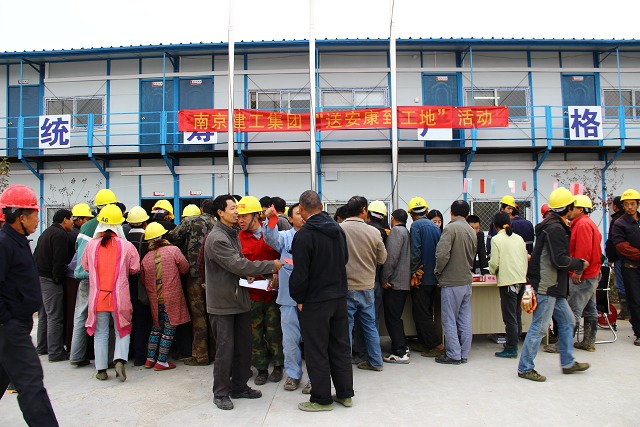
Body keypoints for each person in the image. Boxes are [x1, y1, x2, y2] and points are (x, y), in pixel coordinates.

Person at [204, 194, 282, 411]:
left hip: (239, 299)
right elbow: (238, 264)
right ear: (220, 212)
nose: (237, 212)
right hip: (223, 304)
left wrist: (247, 273)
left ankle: (239, 387)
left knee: (243, 347)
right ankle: (221, 392)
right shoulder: (217, 238)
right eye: (233, 208)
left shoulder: (232, 233)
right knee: (225, 350)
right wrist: (270, 266)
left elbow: (238, 265)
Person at [0, 184, 59, 426]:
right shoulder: (4, 243)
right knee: (31, 383)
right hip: (9, 328)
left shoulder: (18, 241)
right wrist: (7, 321)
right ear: (20, 217)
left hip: (16, 324)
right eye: (35, 213)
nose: (38, 219)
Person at [290, 190, 354, 412]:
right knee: (340, 347)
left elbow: (300, 274)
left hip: (315, 301)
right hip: (339, 298)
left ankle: (321, 399)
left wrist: (299, 297)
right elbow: (344, 258)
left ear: (302, 209)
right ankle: (345, 394)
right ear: (321, 206)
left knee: (316, 350)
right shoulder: (337, 229)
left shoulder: (304, 235)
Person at [518, 187, 590, 382]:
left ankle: (568, 362)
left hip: (553, 286)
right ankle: (525, 368)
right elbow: (559, 260)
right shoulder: (555, 229)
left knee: (568, 321)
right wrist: (579, 263)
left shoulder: (552, 225)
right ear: (568, 208)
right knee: (539, 328)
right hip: (547, 286)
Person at [82, 204, 140, 381]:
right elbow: (135, 268)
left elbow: (85, 266)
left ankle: (101, 370)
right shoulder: (127, 246)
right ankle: (120, 360)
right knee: (122, 329)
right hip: (120, 298)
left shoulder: (91, 246)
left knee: (100, 333)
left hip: (98, 298)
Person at [262, 202, 311, 393]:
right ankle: (293, 374)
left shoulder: (315, 237)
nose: (303, 216)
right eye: (298, 213)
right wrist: (271, 219)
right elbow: (270, 237)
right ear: (290, 218)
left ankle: (314, 377)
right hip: (289, 299)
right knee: (290, 340)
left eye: (305, 213)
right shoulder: (285, 237)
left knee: (313, 340)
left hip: (311, 299)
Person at [236, 196, 284, 386]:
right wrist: (244, 272)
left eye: (244, 216)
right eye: (238, 216)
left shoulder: (271, 232)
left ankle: (278, 366)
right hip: (251, 295)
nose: (240, 220)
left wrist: (278, 274)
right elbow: (236, 263)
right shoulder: (238, 238)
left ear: (256, 216)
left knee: (274, 331)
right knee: (254, 333)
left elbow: (284, 255)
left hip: (272, 293)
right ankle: (261, 369)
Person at [69, 188, 119, 367]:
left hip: (84, 276)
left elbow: (78, 250)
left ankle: (76, 355)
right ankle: (109, 359)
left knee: (81, 316)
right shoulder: (113, 225)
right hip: (103, 279)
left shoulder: (86, 226)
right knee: (108, 320)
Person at [167, 199, 216, 366]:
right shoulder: (218, 225)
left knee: (198, 315)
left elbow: (173, 237)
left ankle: (201, 356)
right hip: (215, 277)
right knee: (214, 315)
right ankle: (215, 353)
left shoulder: (190, 221)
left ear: (201, 209)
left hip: (194, 275)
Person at [340, 196, 387, 372]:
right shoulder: (374, 232)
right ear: (364, 210)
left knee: (346, 327)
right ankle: (376, 362)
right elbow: (382, 258)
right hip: (368, 285)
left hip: (346, 286)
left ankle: (344, 366)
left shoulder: (339, 229)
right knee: (370, 325)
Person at [140, 222, 190, 370]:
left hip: (155, 299)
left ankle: (150, 359)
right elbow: (185, 268)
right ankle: (161, 361)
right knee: (169, 328)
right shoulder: (173, 250)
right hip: (171, 296)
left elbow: (143, 280)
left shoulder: (146, 258)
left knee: (156, 327)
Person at [434, 200, 477, 365]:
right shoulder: (471, 230)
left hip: (451, 281)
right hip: (466, 280)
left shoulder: (450, 229)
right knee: (464, 318)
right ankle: (464, 353)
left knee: (449, 319)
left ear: (451, 212)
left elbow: (442, 254)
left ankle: (453, 354)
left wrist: (438, 270)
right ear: (467, 214)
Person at [34, 209, 74, 362]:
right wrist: (58, 279)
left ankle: (42, 347)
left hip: (39, 277)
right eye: (71, 219)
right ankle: (56, 352)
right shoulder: (60, 235)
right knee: (55, 316)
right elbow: (59, 260)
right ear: (64, 220)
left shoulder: (46, 232)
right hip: (50, 279)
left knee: (44, 314)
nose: (72, 222)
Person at [408, 196, 445, 357]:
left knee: (421, 312)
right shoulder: (435, 228)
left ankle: (435, 345)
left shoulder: (416, 226)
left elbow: (415, 251)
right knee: (428, 311)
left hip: (421, 278)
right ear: (427, 211)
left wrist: (413, 272)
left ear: (411, 214)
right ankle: (424, 341)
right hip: (434, 277)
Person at [566, 195, 603, 353]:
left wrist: (578, 271)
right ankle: (588, 341)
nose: (569, 210)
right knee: (590, 309)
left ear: (580, 209)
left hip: (583, 276)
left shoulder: (582, 225)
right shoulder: (588, 223)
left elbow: (583, 250)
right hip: (592, 273)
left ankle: (564, 344)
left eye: (572, 207)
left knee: (572, 311)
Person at [488, 212, 528, 358]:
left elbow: (494, 263)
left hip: (507, 282)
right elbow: (524, 258)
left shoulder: (496, 239)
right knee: (517, 314)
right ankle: (514, 342)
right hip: (521, 280)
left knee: (509, 317)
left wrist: (491, 270)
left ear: (495, 226)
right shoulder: (519, 238)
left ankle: (511, 348)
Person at [381, 209, 412, 364]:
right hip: (404, 281)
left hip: (395, 282)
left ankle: (399, 352)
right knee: (396, 317)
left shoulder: (396, 232)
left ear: (393, 218)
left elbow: (391, 257)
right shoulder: (406, 231)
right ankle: (402, 346)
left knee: (392, 318)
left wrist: (385, 277)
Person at [610, 188, 640, 346]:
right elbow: (621, 245)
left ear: (637, 204)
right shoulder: (619, 223)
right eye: (627, 204)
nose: (630, 207)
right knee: (635, 300)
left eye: (632, 204)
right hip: (630, 267)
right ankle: (639, 333)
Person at [124, 206, 152, 366]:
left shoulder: (123, 239)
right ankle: (140, 356)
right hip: (142, 285)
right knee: (142, 321)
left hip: (124, 285)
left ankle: (127, 353)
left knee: (128, 320)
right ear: (145, 222)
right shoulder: (147, 239)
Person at [605, 196, 628, 319]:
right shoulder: (630, 219)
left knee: (621, 284)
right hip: (630, 257)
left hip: (619, 257)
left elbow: (612, 241)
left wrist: (610, 258)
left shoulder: (617, 221)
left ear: (615, 206)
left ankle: (625, 310)